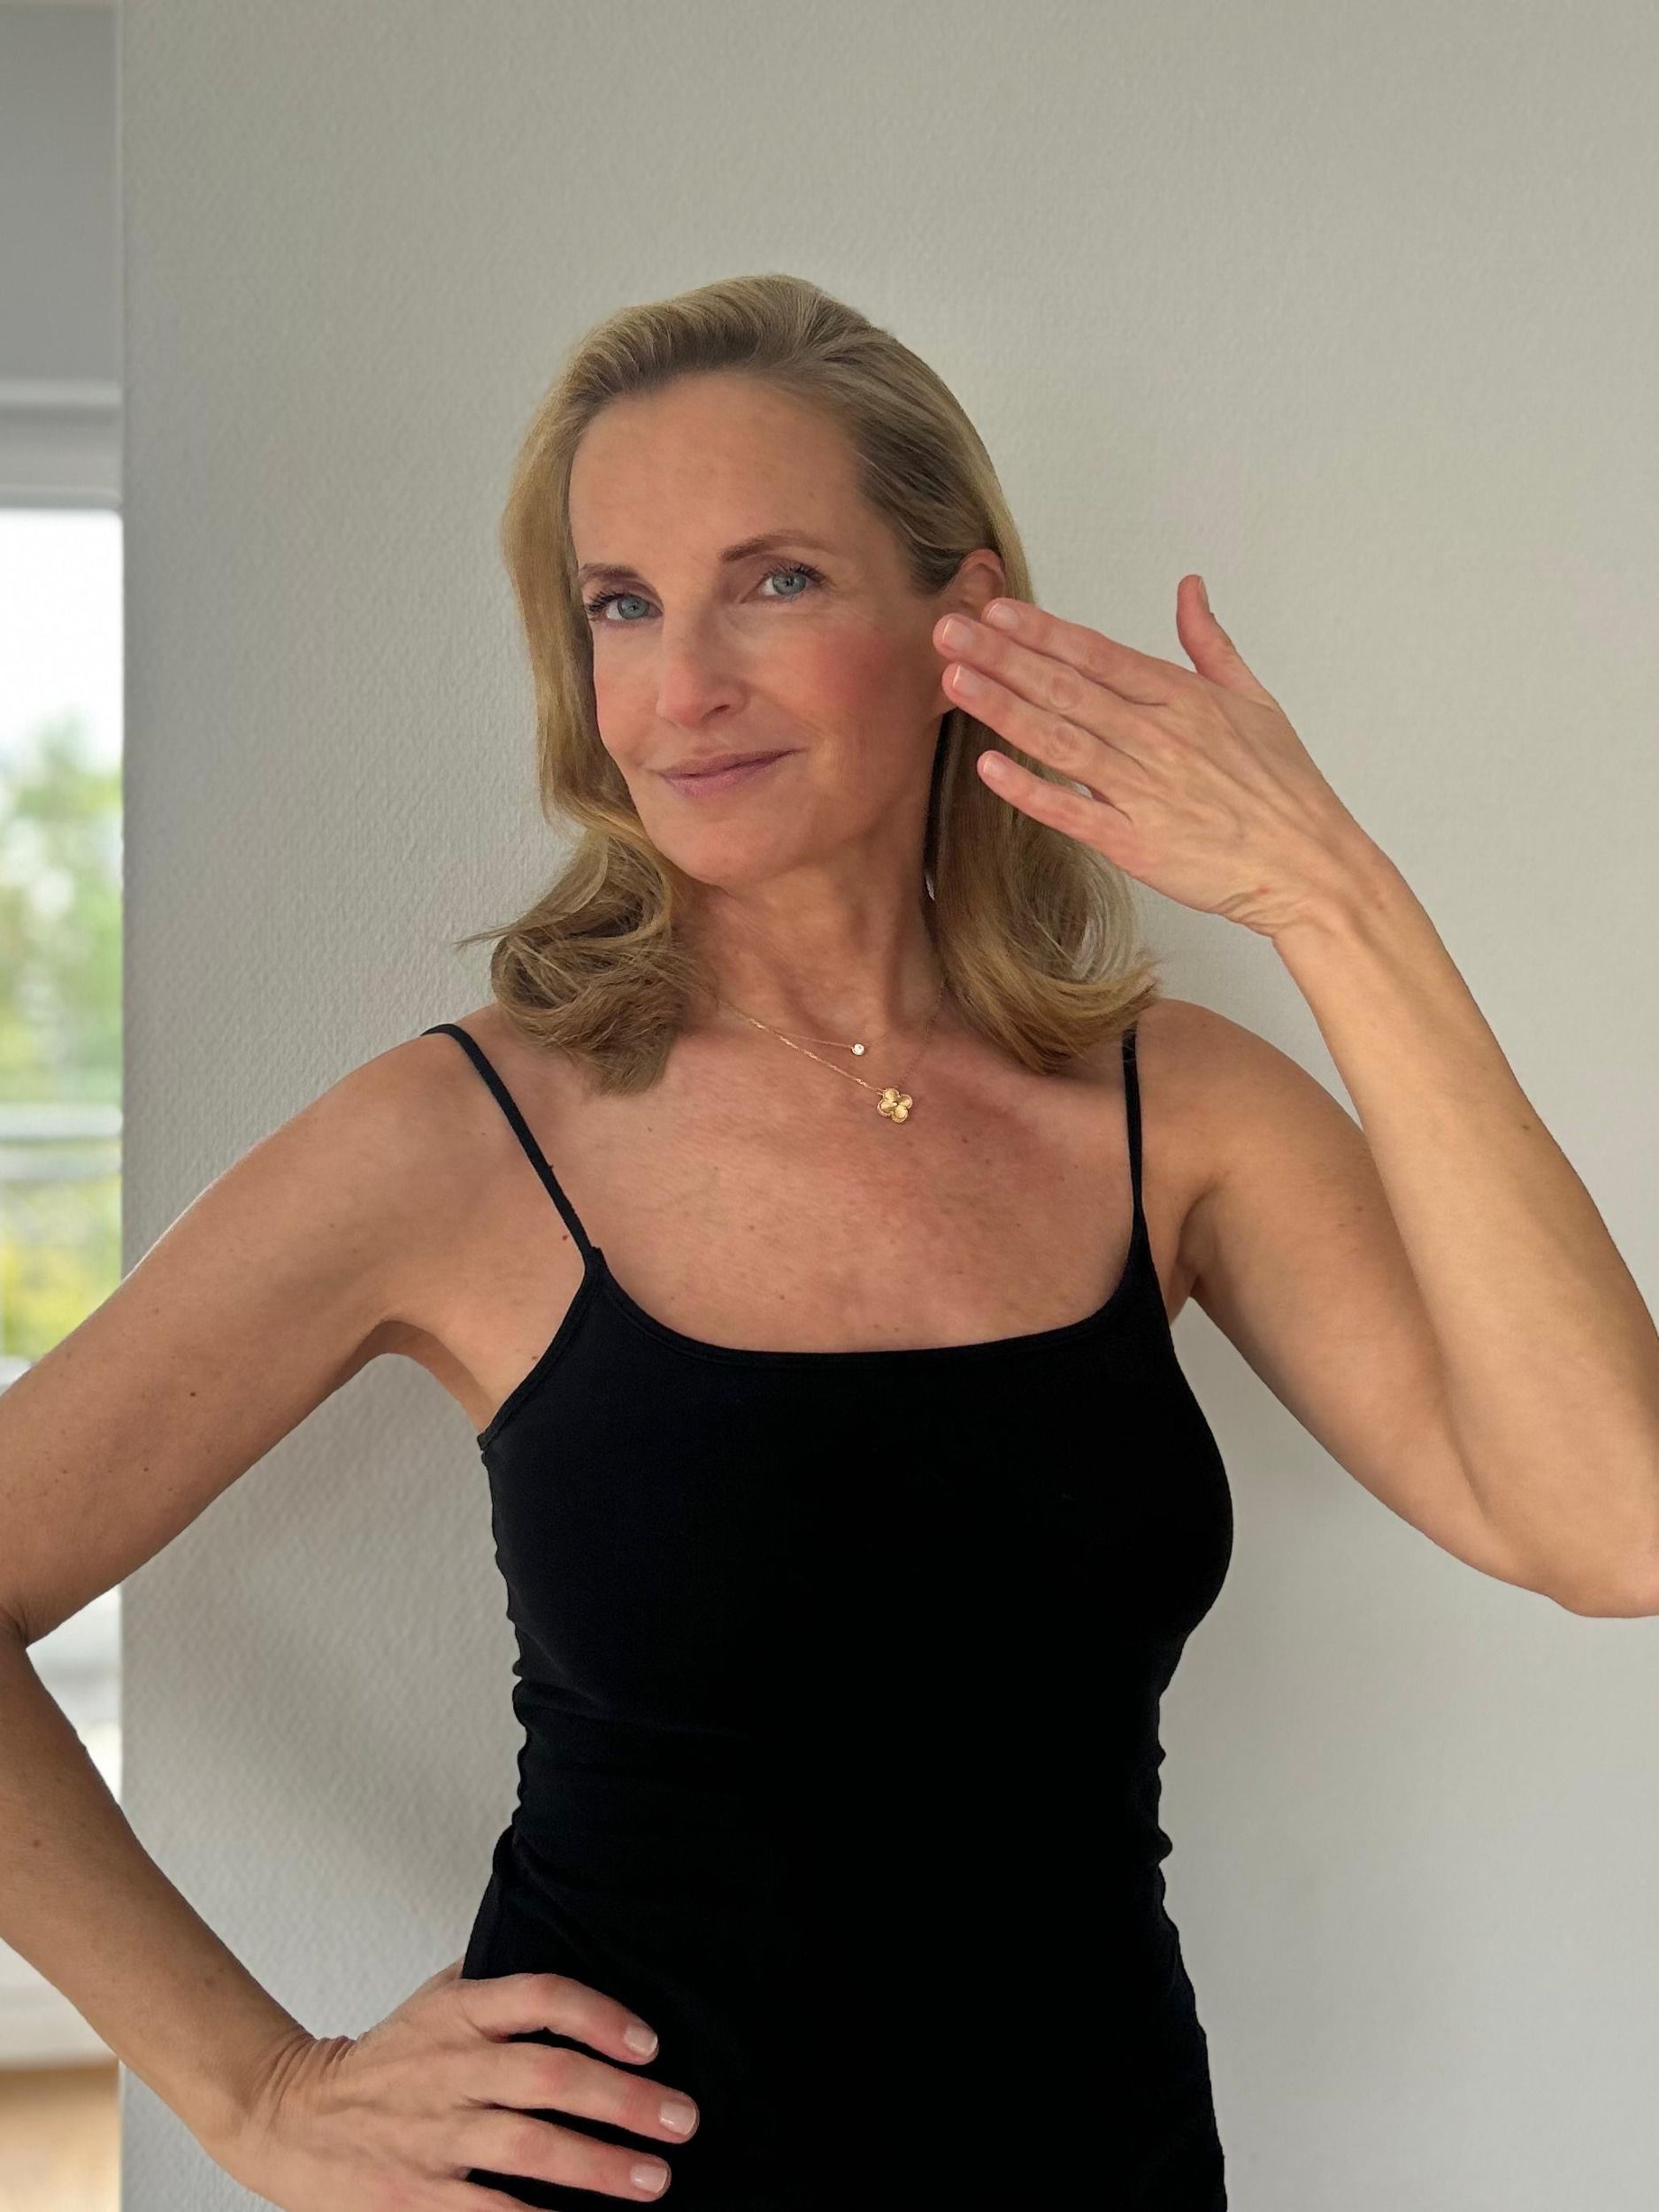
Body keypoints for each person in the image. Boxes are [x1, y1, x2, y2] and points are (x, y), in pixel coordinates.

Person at [0, 274, 1234, 2208]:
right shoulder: (462, 1137)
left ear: (965, 617)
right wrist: (258, 2095)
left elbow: (1612, 1520)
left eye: (773, 582)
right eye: (621, 605)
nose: (682, 686)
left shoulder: (1172, 1106)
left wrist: (1336, 896)